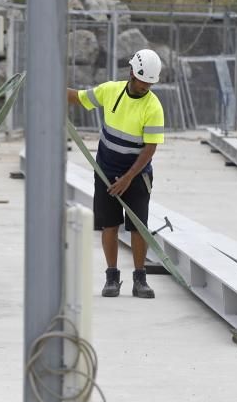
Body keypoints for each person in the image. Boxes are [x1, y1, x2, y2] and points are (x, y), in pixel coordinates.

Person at [67, 49, 165, 298]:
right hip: (106, 171)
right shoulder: (110, 91)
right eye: (143, 81)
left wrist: (128, 179)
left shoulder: (153, 106)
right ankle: (112, 277)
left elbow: (149, 149)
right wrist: (47, 85)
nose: (146, 87)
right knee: (109, 225)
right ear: (132, 73)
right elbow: (78, 98)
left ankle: (140, 279)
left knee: (138, 227)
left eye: (150, 84)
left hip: (137, 174)